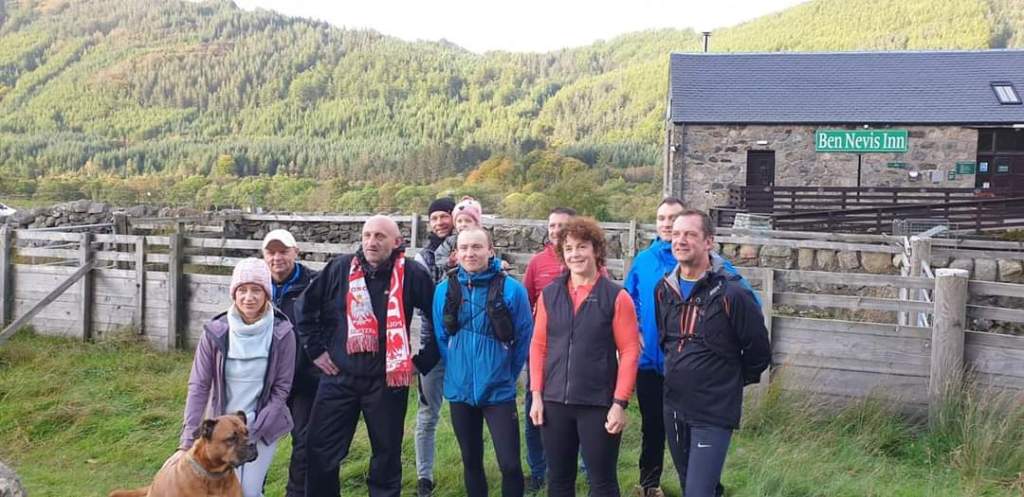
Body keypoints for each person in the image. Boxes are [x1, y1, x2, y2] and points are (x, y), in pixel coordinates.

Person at [296, 215, 440, 497]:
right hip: (338, 376)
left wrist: (421, 361)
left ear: (397, 242)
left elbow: (438, 320)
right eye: (367, 235)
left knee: (386, 457)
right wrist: (316, 351)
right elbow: (305, 308)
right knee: (320, 451)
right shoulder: (340, 268)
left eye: (380, 236)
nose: (371, 242)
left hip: (387, 381)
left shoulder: (412, 274)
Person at [623, 197, 754, 497]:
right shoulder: (644, 260)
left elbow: (746, 304)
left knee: (695, 437)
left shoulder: (711, 264)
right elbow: (628, 299)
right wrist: (636, 329)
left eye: (674, 218)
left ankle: (708, 487)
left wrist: (728, 364)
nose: (667, 225)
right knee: (653, 427)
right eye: (661, 218)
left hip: (696, 372)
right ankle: (650, 484)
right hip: (651, 362)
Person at [655, 210, 771, 497]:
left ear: (708, 242)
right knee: (691, 485)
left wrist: (728, 381)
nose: (680, 240)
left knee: (698, 491)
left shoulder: (733, 293)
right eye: (676, 234)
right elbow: (666, 342)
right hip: (674, 406)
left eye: (690, 234)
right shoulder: (663, 290)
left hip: (713, 410)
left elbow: (759, 352)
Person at [529, 217, 641, 497]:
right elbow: (538, 346)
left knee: (602, 482)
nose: (575, 254)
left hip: (597, 404)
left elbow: (630, 351)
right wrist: (536, 395)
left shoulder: (616, 297)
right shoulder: (549, 294)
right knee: (558, 481)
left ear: (596, 250)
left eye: (582, 246)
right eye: (568, 248)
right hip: (554, 403)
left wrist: (619, 403)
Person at [179, 258, 296, 497]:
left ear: (266, 294)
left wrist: (255, 429)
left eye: (256, 290)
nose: (248, 297)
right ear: (234, 293)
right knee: (219, 490)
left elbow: (281, 390)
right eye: (242, 290)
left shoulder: (283, 332)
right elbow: (199, 386)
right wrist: (189, 439)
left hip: (262, 424)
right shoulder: (215, 331)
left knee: (249, 491)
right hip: (222, 430)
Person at [433, 227, 533, 497]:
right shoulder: (444, 290)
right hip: (460, 390)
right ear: (456, 253)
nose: (470, 253)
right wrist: (457, 369)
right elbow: (442, 337)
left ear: (491, 251)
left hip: (498, 390)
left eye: (477, 247)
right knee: (471, 461)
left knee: (510, 464)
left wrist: (506, 373)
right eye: (464, 248)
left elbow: (524, 337)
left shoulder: (512, 290)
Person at [261, 229, 319, 497]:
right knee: (255, 436)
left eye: (283, 251)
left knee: (305, 442)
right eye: (271, 252)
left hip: (303, 377)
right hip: (264, 379)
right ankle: (251, 490)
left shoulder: (314, 284)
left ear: (296, 252)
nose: (277, 258)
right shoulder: (255, 285)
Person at [412, 196, 456, 497]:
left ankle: (473, 468)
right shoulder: (423, 258)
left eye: (445, 216)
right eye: (435, 217)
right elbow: (421, 303)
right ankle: (424, 476)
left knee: (471, 410)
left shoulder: (470, 248)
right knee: (427, 412)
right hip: (433, 344)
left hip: (465, 344)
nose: (440, 222)